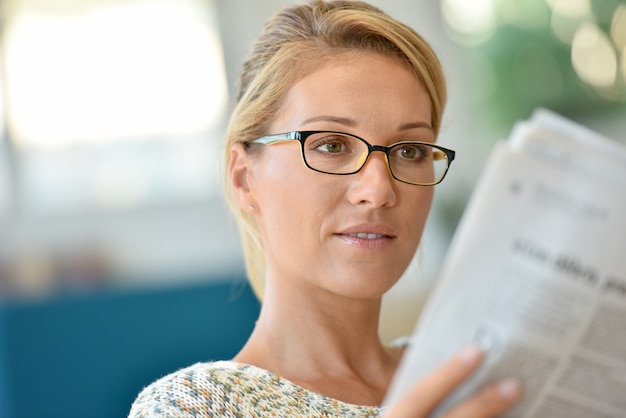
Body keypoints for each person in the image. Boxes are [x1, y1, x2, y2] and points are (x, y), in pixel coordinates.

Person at [129, 1, 522, 416]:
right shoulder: (196, 407)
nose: (378, 190)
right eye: (331, 145)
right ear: (245, 177)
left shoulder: (474, 382)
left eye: (409, 150)